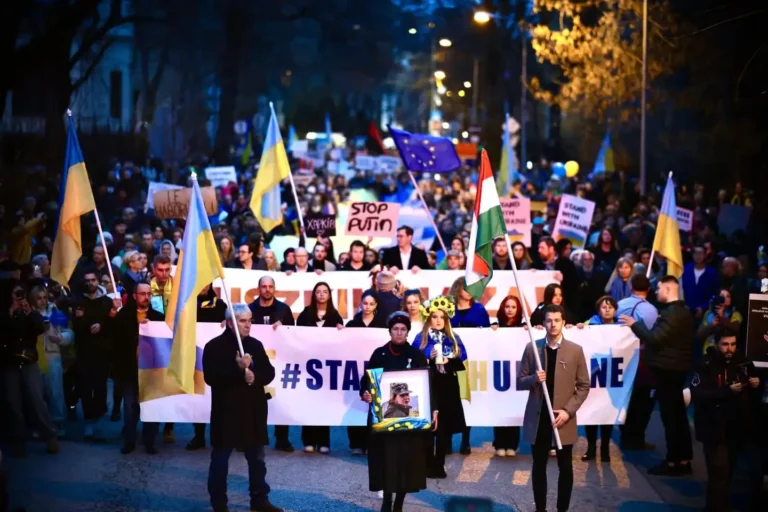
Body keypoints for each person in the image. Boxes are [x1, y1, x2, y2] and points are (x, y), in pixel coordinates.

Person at [203, 304, 282, 512]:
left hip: (253, 411)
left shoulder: (255, 345)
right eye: (242, 321)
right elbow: (211, 377)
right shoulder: (214, 346)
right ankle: (219, 504)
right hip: (225, 412)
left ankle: (259, 500)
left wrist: (254, 375)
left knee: (257, 459)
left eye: (250, 320)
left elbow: (269, 372)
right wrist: (237, 369)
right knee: (220, 460)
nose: (248, 325)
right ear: (230, 323)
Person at [517, 304, 590, 512]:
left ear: (564, 322)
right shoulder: (533, 349)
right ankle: (540, 509)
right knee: (538, 466)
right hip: (539, 418)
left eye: (557, 320)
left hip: (562, 419)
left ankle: (562, 510)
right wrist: (533, 378)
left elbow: (584, 386)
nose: (553, 324)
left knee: (565, 467)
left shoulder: (575, 350)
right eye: (549, 320)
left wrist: (568, 411)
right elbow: (519, 381)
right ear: (543, 323)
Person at [361, 312, 435, 512]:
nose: (399, 333)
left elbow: (428, 386)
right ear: (390, 331)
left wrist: (433, 409)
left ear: (407, 332)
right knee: (385, 461)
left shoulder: (416, 355)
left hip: (409, 420)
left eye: (403, 329)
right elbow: (366, 380)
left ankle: (399, 503)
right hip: (384, 420)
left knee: (406, 462)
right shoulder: (379, 354)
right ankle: (386, 499)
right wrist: (366, 393)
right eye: (395, 329)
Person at [620, 276, 694, 476]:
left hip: (668, 371)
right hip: (674, 370)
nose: (656, 291)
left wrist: (634, 324)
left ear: (669, 289)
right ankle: (683, 459)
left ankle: (673, 462)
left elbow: (655, 338)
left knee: (671, 419)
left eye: (660, 288)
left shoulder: (672, 314)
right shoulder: (682, 312)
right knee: (677, 418)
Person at [690, 327, 763, 512]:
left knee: (729, 473)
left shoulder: (743, 362)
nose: (729, 349)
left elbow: (753, 394)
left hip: (737, 428)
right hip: (713, 428)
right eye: (725, 344)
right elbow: (698, 394)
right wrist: (726, 391)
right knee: (718, 473)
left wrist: (755, 384)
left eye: (732, 344)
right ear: (717, 343)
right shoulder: (705, 364)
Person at [1, 283, 60, 456]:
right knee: (14, 404)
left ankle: (50, 436)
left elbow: (40, 328)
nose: (19, 298)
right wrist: (11, 312)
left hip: (29, 362)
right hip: (9, 363)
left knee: (37, 400)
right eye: (15, 294)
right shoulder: (5, 313)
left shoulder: (30, 312)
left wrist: (28, 311)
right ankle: (18, 441)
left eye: (21, 294)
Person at [412, 296, 467, 479]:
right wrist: (428, 356)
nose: (437, 321)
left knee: (443, 427)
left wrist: (451, 355)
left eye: (441, 317)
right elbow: (414, 355)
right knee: (428, 425)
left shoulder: (453, 336)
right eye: (434, 317)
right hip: (429, 382)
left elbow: (463, 354)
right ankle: (427, 462)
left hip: (447, 385)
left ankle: (439, 464)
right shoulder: (422, 336)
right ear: (429, 318)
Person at [111, 281, 164, 454]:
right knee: (129, 407)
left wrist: (153, 328)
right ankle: (129, 442)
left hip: (151, 372)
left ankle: (149, 442)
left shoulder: (157, 317)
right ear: (135, 296)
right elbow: (114, 338)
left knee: (150, 407)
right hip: (129, 370)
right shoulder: (124, 315)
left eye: (149, 294)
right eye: (142, 294)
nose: (146, 297)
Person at [296, 282, 344, 453]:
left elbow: (341, 339)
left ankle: (324, 441)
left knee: (324, 403)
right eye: (318, 292)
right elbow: (296, 335)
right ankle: (308, 440)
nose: (322, 295)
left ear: (329, 295)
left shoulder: (335, 315)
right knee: (308, 402)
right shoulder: (305, 314)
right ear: (314, 294)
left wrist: (341, 329)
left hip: (326, 367)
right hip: (308, 365)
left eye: (325, 292)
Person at [616, 274, 659, 451]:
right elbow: (653, 336)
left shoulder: (619, 305)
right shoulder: (652, 311)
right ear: (648, 290)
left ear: (631, 287)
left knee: (626, 394)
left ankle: (625, 431)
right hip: (642, 359)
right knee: (642, 399)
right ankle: (636, 437)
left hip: (620, 357)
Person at [73, 270, 116, 441]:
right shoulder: (78, 301)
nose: (90, 283)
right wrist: (80, 320)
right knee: (85, 386)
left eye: (93, 280)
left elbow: (112, 325)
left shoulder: (107, 302)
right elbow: (74, 325)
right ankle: (89, 420)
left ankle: (97, 415)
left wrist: (104, 324)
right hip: (83, 351)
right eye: (87, 280)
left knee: (100, 386)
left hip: (102, 351)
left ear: (98, 281)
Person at [447, 277, 489, 454]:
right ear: (457, 288)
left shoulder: (479, 310)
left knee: (467, 400)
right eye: (466, 287)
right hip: (450, 361)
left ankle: (466, 439)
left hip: (472, 361)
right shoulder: (449, 309)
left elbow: (487, 333)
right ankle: (446, 440)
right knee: (448, 400)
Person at [186, 284, 229, 452]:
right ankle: (199, 436)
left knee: (220, 398)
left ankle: (222, 437)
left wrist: (227, 321)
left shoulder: (219, 305)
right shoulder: (188, 303)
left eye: (206, 282)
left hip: (217, 357)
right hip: (195, 356)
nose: (203, 286)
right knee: (198, 396)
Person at [30, 285, 74, 434]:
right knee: (37, 393)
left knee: (55, 391)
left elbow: (69, 333)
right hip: (34, 357)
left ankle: (58, 422)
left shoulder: (55, 313)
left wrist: (60, 338)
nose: (42, 301)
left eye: (44, 297)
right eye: (39, 298)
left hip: (52, 354)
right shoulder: (29, 314)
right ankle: (40, 424)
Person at [491, 295, 523, 457]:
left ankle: (512, 444)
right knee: (500, 409)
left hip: (516, 374)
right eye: (507, 306)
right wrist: (492, 331)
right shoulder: (496, 326)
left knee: (513, 408)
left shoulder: (524, 328)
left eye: (513, 307)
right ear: (503, 308)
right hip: (499, 373)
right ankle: (499, 444)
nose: (510, 310)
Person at [697, 288, 743, 355]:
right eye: (722, 296)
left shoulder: (735, 314)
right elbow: (699, 334)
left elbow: (735, 329)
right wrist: (712, 324)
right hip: (709, 350)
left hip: (727, 351)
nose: (724, 299)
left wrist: (722, 317)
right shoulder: (709, 313)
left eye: (728, 296)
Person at [682, 245, 720, 323]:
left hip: (704, 314)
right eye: (696, 253)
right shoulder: (684, 270)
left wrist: (703, 308)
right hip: (685, 311)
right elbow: (679, 289)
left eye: (701, 253)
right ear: (692, 255)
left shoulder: (712, 273)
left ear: (705, 255)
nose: (698, 256)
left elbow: (715, 294)